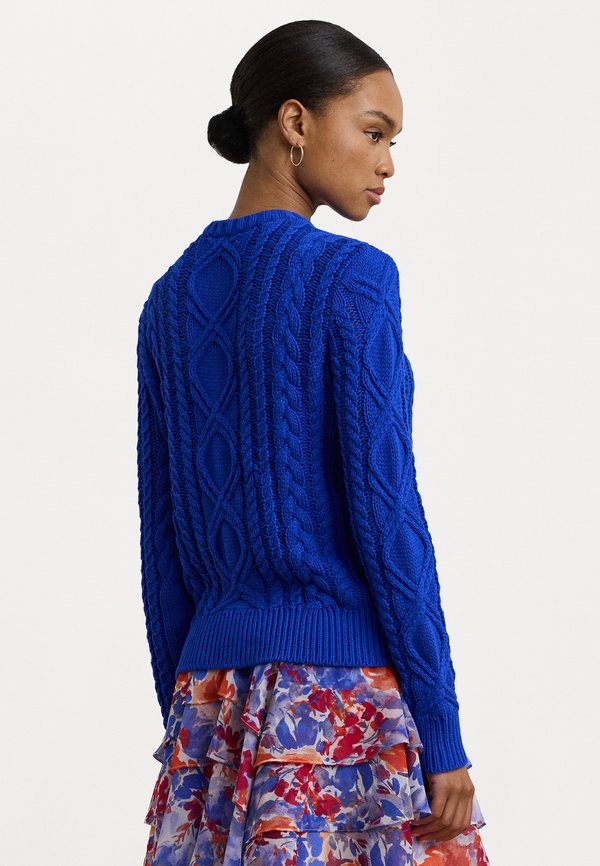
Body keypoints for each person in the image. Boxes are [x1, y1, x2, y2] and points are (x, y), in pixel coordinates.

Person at [136, 18, 489, 866]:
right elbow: (388, 518)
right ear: (295, 121)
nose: (387, 162)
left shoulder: (168, 302)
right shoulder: (352, 278)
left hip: (211, 708)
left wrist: (190, 726)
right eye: (374, 132)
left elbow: (163, 546)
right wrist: (441, 731)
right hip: (337, 709)